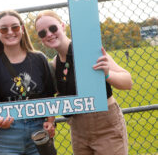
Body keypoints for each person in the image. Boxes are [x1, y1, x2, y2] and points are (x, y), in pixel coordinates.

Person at [35, 10, 133, 155]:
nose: (49, 34)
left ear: (62, 26)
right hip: (78, 128)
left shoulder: (87, 50)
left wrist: (107, 74)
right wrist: (50, 121)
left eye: (53, 28)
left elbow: (127, 82)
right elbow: (52, 96)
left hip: (105, 123)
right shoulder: (55, 64)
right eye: (42, 33)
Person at [0, 10, 57, 155]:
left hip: (39, 129)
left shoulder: (39, 59)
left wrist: (50, 121)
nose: (10, 32)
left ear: (22, 29)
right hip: (8, 134)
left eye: (15, 27)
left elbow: (49, 96)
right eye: (4, 29)